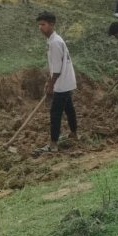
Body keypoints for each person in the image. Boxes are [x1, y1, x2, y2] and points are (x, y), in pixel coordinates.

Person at [36, 11, 77, 153]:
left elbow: (57, 70)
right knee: (69, 108)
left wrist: (51, 86)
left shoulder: (55, 42)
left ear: (52, 24)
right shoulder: (54, 40)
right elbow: (55, 66)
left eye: (43, 24)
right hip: (65, 80)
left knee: (55, 113)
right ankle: (74, 134)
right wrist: (49, 81)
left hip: (61, 82)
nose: (41, 28)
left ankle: (53, 144)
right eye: (39, 25)